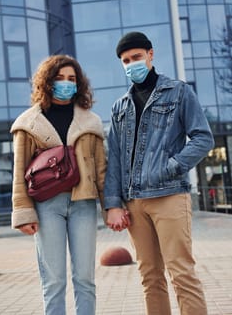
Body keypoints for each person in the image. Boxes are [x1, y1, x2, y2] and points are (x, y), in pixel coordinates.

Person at [104, 32, 214, 315]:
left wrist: (171, 167)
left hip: (169, 196)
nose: (131, 64)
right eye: (126, 61)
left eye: (136, 57)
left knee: (182, 274)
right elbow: (114, 158)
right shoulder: (119, 108)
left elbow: (203, 138)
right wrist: (113, 204)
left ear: (150, 55)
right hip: (134, 203)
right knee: (150, 278)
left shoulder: (179, 92)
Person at [11, 55, 106, 315]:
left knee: (85, 279)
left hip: (83, 204)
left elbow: (101, 170)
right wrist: (23, 213)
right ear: (48, 82)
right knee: (53, 281)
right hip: (46, 207)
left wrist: (111, 207)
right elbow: (19, 173)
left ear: (79, 84)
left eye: (71, 79)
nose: (66, 83)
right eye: (60, 78)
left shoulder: (91, 122)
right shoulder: (28, 124)